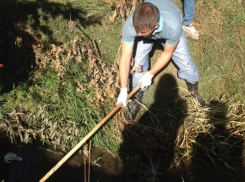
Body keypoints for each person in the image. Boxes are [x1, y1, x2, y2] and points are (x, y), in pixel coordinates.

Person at [116, 0, 204, 121]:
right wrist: (123, 89)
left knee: (185, 61)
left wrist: (150, 74)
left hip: (169, 30)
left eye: (142, 32)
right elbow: (125, 57)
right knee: (138, 66)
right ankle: (137, 97)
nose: (138, 34)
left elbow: (167, 53)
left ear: (155, 26)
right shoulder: (133, 25)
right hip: (150, 29)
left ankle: (194, 89)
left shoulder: (173, 27)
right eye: (137, 31)